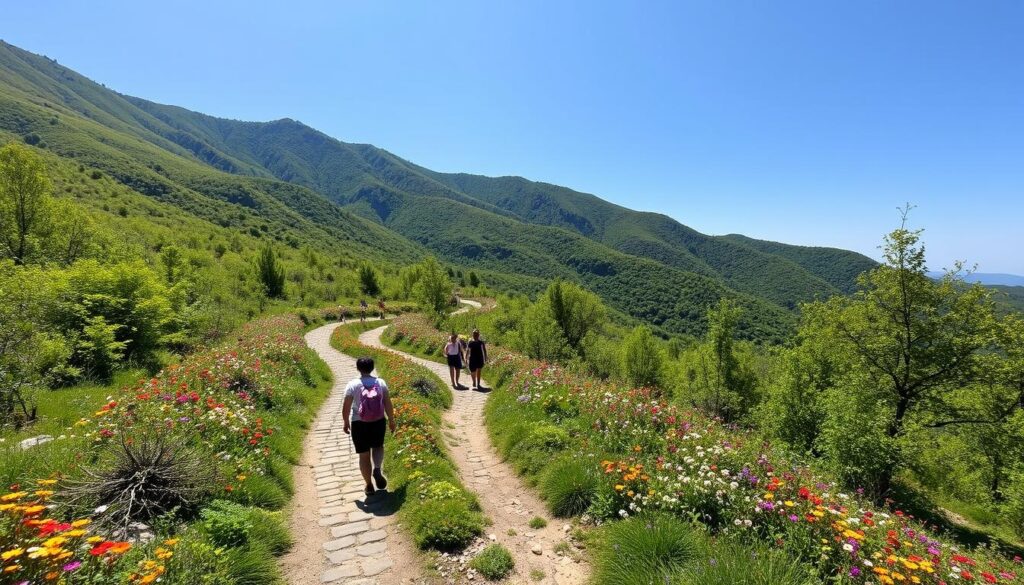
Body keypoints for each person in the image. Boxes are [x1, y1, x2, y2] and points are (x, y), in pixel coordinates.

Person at [342, 357, 397, 497]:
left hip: (359, 423)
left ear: (358, 368)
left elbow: (346, 406)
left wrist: (346, 422)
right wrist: (391, 419)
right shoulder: (380, 382)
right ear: (372, 368)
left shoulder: (352, 385)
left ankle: (368, 485)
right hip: (378, 421)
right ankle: (377, 469)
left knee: (364, 455)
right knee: (378, 446)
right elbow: (387, 403)